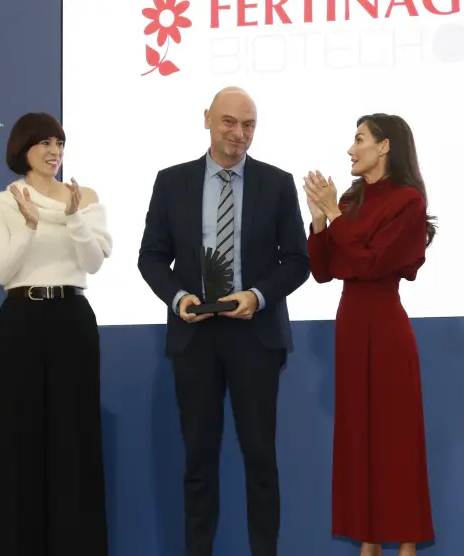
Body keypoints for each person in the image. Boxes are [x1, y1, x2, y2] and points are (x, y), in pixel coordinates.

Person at [137, 86, 310, 556]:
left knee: (261, 462)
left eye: (248, 125)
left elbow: (298, 261)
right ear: (207, 119)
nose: (239, 133)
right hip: (195, 337)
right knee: (198, 461)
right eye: (229, 122)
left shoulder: (277, 183)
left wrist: (257, 296)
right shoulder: (171, 182)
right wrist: (178, 298)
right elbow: (151, 257)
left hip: (256, 336)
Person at [303, 113, 437, 556]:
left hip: (385, 328)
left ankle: (406, 545)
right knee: (357, 437)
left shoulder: (408, 202)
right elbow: (324, 270)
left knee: (396, 438)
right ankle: (369, 541)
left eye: (359, 139)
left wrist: (334, 214)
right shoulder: (350, 200)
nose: (350, 149)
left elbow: (370, 263)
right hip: (350, 327)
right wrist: (319, 220)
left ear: (384, 146)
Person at [0, 112, 112, 556]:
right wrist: (29, 226)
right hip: (21, 320)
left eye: (59, 142)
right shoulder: (3, 203)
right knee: (19, 440)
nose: (54, 151)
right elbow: (1, 271)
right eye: (44, 143)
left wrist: (74, 217)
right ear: (23, 149)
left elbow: (94, 261)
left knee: (74, 440)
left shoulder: (84, 197)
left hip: (72, 319)